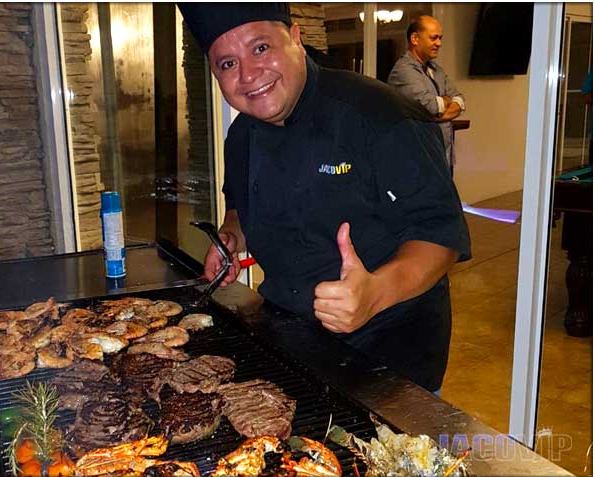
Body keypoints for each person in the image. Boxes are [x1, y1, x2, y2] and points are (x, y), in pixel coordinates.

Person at [179, 3, 471, 393]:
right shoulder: (242, 135)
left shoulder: (381, 115)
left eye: (261, 48)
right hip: (293, 343)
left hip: (390, 359)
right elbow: (241, 205)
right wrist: (230, 238)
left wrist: (375, 293)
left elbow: (441, 234)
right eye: (227, 64)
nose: (248, 75)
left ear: (295, 38)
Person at [387, 15, 465, 174]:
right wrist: (443, 104)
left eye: (440, 38)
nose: (439, 43)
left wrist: (439, 109)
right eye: (434, 38)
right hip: (418, 161)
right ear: (415, 38)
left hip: (443, 157)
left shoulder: (436, 69)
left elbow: (460, 100)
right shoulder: (403, 70)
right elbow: (429, 107)